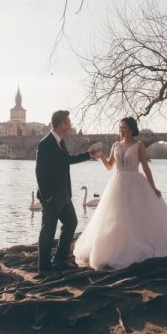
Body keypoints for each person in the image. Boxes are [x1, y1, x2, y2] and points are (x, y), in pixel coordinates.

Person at [73, 117, 167, 271]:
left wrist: (153, 187)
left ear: (131, 129)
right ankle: (117, 248)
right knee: (116, 217)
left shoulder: (139, 145)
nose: (121, 130)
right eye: (120, 127)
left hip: (136, 183)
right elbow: (109, 166)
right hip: (118, 184)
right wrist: (101, 156)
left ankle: (137, 247)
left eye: (124, 127)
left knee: (135, 216)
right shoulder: (115, 145)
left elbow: (146, 167)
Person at [35, 110, 100, 274]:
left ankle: (60, 259)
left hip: (64, 195)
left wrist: (88, 155)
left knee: (71, 223)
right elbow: (39, 172)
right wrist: (47, 196)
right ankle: (44, 267)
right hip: (51, 197)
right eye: (68, 122)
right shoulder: (45, 143)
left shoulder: (61, 142)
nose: (70, 125)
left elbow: (67, 160)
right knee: (48, 231)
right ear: (62, 124)